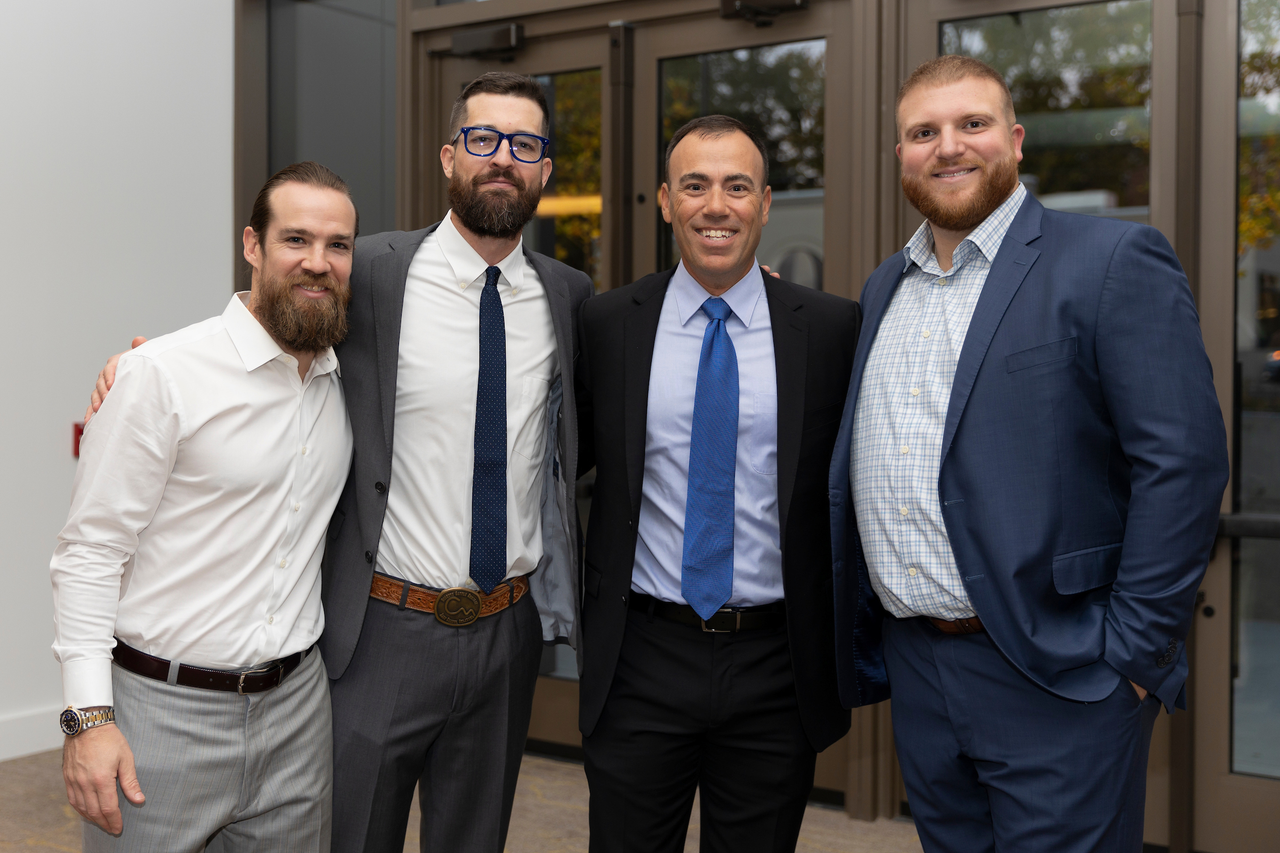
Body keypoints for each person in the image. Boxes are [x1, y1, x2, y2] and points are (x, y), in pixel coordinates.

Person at [86, 73, 593, 853]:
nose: (503, 158)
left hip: (505, 631)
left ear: (546, 169)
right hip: (380, 631)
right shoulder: (375, 270)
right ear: (448, 156)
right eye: (484, 139)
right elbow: (277, 306)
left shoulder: (569, 296)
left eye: (525, 145)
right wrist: (144, 363)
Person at [827, 55, 1229, 852]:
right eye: (923, 131)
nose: (948, 147)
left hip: (1060, 672)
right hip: (921, 669)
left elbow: (1182, 465)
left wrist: (1133, 656)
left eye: (971, 124)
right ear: (900, 156)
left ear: (1013, 140)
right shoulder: (883, 290)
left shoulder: (1110, 261)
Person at [575, 114, 859, 853]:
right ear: (666, 202)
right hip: (642, 655)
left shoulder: (830, 330)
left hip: (776, 661)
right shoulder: (606, 325)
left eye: (737, 186)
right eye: (695, 185)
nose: (716, 205)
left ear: (765, 203)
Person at [53, 161, 358, 851]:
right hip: (161, 715)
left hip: (298, 714)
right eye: (296, 239)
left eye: (338, 245)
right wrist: (88, 717)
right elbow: (90, 552)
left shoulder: (346, 378)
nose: (317, 262)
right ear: (252, 245)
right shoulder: (160, 373)